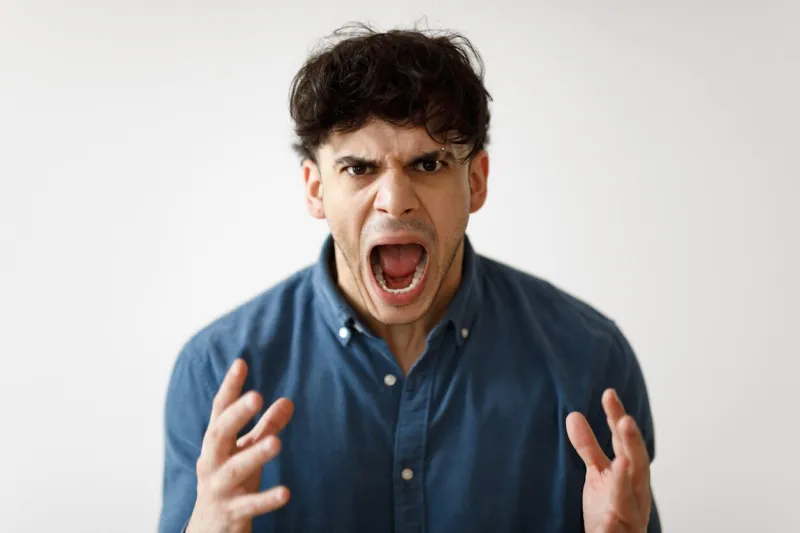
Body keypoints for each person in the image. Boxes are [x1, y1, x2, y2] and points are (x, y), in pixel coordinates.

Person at [158, 23, 661, 533]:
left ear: (476, 181)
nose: (395, 199)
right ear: (315, 189)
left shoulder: (591, 359)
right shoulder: (214, 372)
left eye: (428, 163)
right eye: (358, 169)